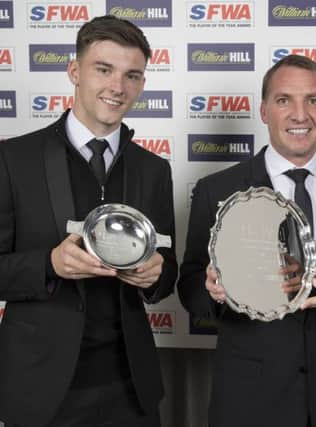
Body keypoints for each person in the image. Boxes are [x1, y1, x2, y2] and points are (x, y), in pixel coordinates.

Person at [178, 54, 316, 427]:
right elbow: (189, 289)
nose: (299, 115)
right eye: (284, 100)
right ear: (263, 110)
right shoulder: (217, 189)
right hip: (247, 401)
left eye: (313, 101)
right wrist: (213, 290)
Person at [0, 15, 177, 427]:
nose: (118, 87)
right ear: (74, 71)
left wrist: (154, 275)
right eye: (104, 69)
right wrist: (49, 265)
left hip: (131, 389)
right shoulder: (14, 160)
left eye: (132, 75)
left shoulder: (154, 170)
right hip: (41, 389)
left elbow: (167, 275)